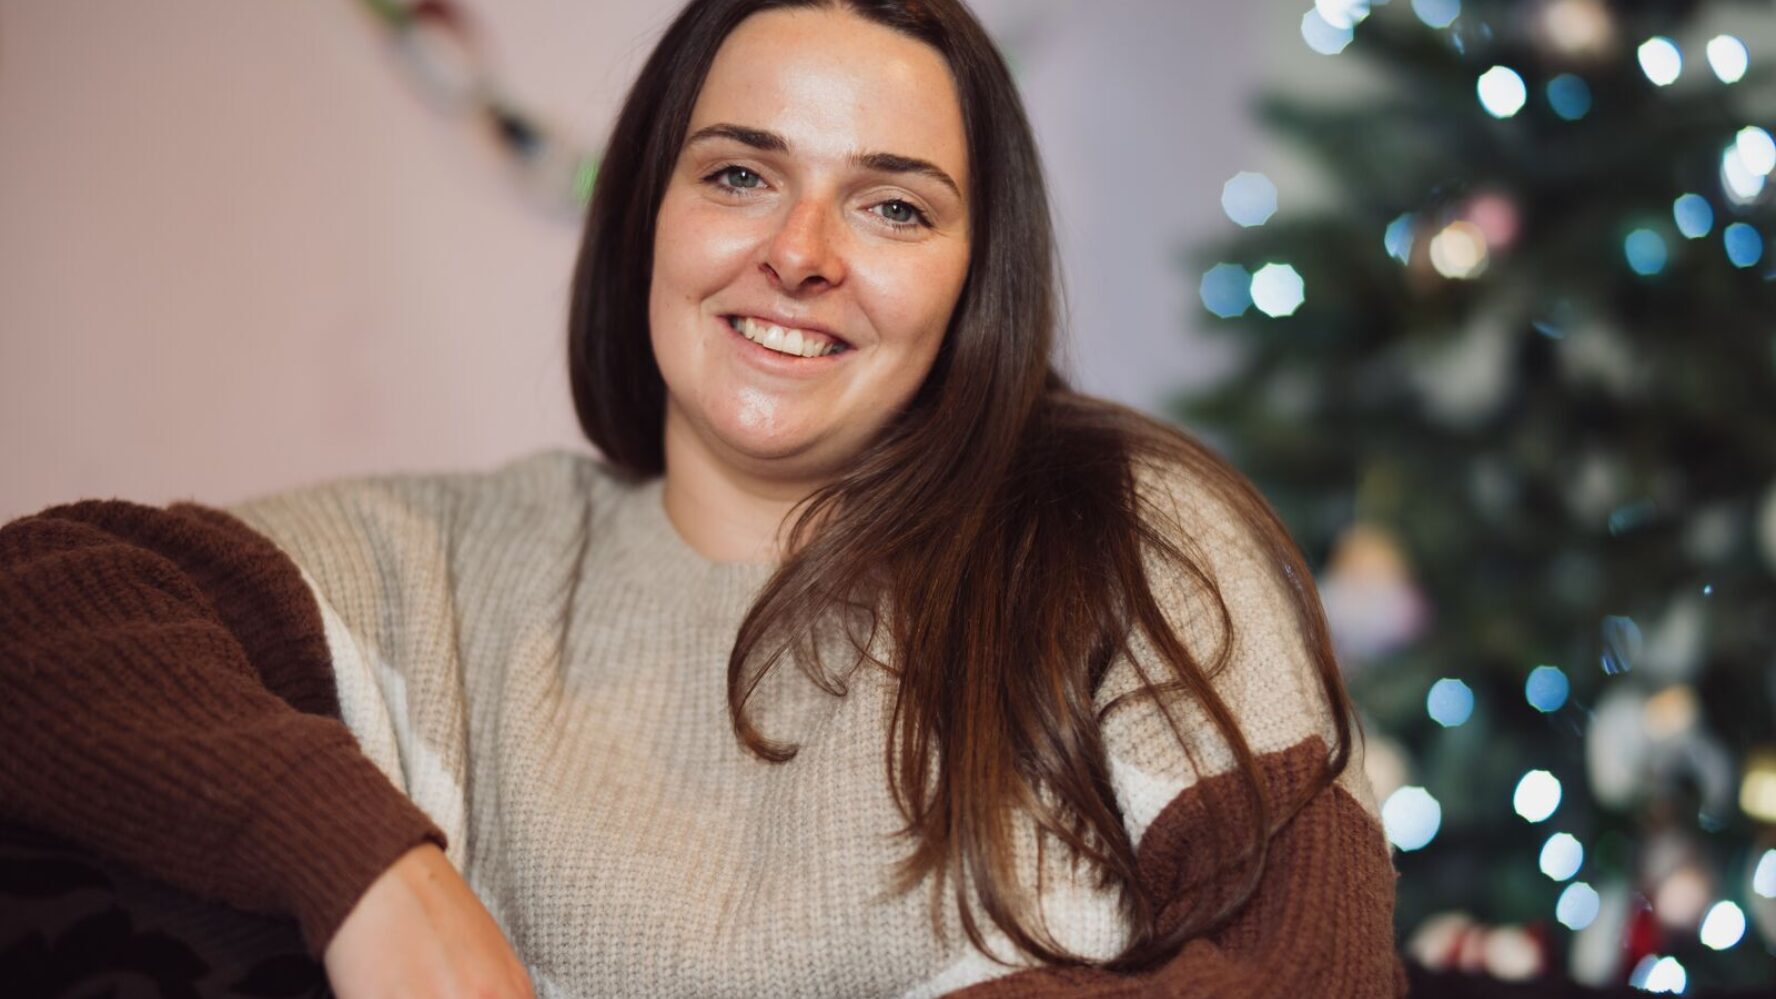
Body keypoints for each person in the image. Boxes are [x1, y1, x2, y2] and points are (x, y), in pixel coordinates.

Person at [0, 0, 1407, 996]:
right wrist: (370, 871)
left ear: (978, 281)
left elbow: (1315, 973)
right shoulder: (448, 563)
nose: (798, 253)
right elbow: (37, 604)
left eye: (893, 205)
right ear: (648, 222)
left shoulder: (1131, 532)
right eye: (740, 173)